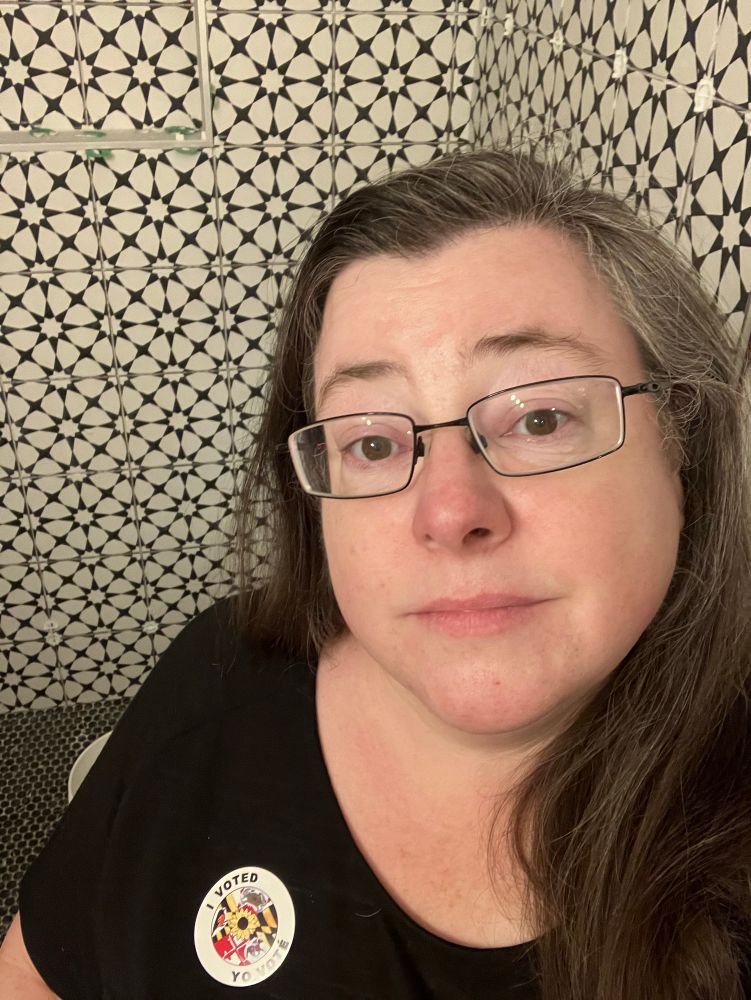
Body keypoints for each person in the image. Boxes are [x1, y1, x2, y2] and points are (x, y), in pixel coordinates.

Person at [2, 140, 750, 1000]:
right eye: (370, 441)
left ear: (681, 448)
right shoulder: (219, 672)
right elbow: (33, 973)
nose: (448, 511)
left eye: (539, 418)